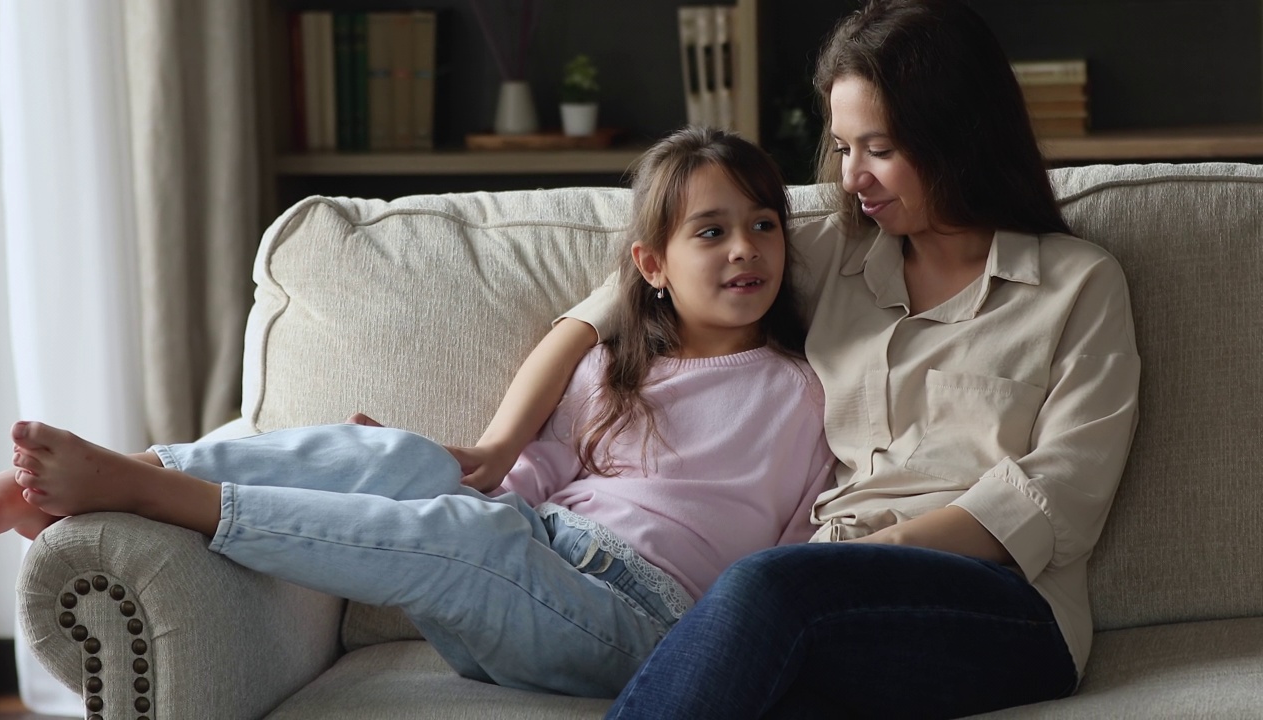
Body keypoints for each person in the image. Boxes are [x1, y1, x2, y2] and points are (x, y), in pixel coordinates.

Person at [459, 1, 1142, 718]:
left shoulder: (1078, 285)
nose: (853, 179)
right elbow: (621, 298)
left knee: (764, 589)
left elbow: (1060, 492)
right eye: (844, 149)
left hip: (1005, 609)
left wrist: (876, 550)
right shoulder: (830, 253)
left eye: (878, 149)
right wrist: (502, 446)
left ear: (958, 135)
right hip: (830, 589)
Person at [0, 127, 834, 699]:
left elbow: (802, 545)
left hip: (642, 619)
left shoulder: (801, 390)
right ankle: (149, 467)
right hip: (542, 550)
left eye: (763, 225)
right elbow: (542, 473)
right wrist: (439, 468)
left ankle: (148, 493)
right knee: (404, 464)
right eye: (711, 232)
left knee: (463, 535)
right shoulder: (613, 368)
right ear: (650, 265)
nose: (745, 248)